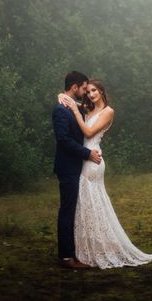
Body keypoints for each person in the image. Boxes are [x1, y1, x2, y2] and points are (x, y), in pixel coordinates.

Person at [58, 79, 152, 269]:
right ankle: (85, 247)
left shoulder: (108, 112)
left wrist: (74, 110)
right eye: (88, 91)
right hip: (84, 158)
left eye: (94, 90)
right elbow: (69, 101)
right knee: (85, 203)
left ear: (102, 91)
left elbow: (88, 133)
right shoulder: (88, 109)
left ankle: (95, 248)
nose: (90, 94)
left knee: (91, 202)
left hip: (93, 160)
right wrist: (62, 97)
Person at [52, 70, 102, 270]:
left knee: (74, 211)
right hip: (68, 168)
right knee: (67, 211)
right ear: (74, 87)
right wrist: (87, 154)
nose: (85, 92)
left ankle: (74, 252)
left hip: (77, 167)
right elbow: (63, 140)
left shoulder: (72, 107)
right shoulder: (61, 110)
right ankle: (66, 257)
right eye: (83, 88)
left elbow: (89, 108)